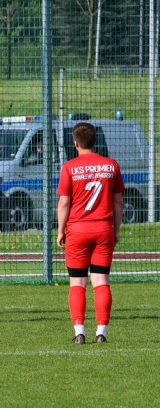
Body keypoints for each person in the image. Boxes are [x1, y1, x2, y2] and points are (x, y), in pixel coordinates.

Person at [56, 122, 123, 344]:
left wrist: (60, 230)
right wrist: (115, 230)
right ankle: (102, 332)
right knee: (101, 280)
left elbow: (64, 203)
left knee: (77, 283)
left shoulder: (69, 167)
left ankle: (79, 332)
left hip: (77, 230)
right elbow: (118, 202)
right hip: (103, 229)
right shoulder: (111, 165)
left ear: (75, 144)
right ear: (95, 141)